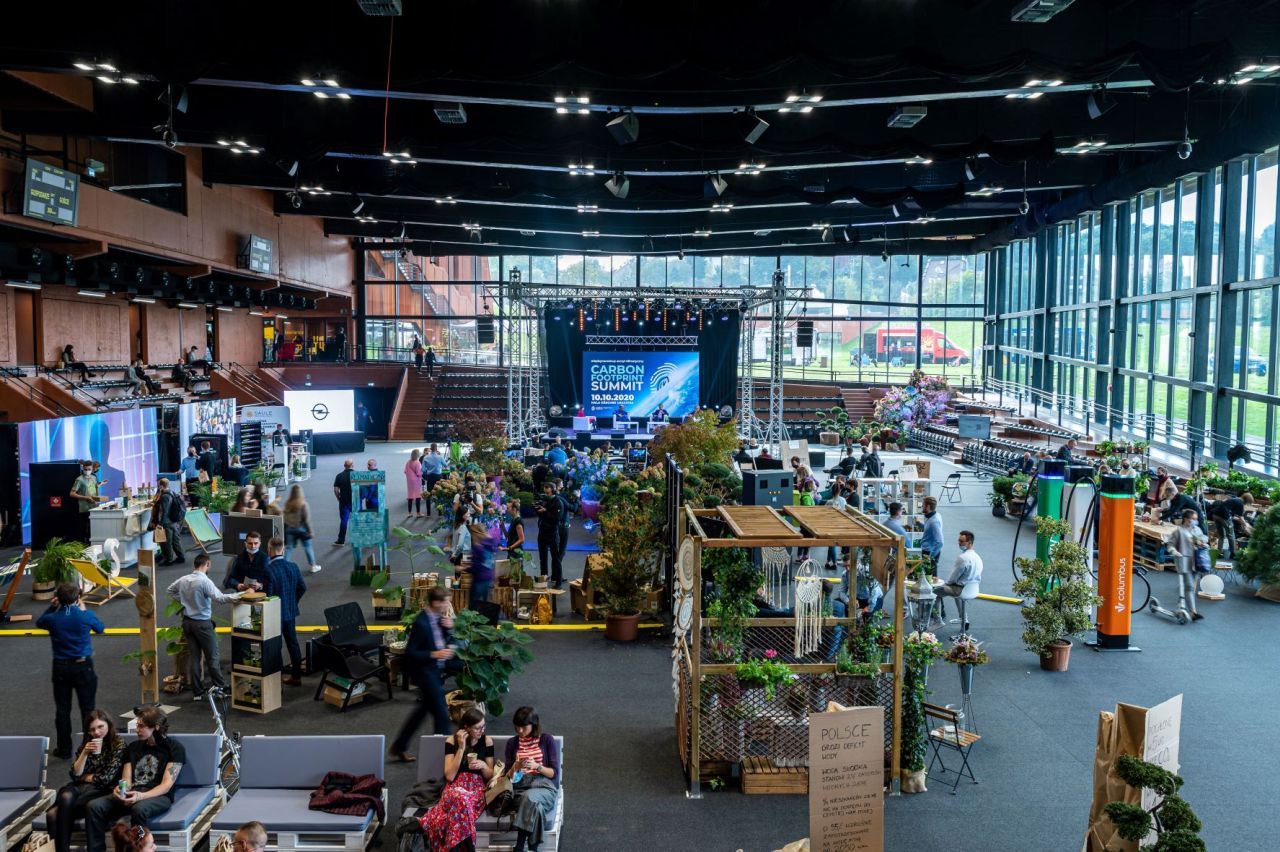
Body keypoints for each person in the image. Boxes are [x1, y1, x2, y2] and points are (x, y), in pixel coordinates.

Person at [85, 707, 185, 852]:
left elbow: (166, 786)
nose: (137, 730)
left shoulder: (174, 748)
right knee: (94, 806)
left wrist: (140, 796)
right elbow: (126, 779)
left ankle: (140, 848)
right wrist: (121, 790)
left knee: (139, 809)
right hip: (133, 792)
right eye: (137, 725)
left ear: (156, 727)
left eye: (141, 726)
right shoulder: (133, 747)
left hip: (158, 796)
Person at [390, 588, 463, 762]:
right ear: (436, 603)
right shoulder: (421, 623)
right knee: (441, 714)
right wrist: (434, 654)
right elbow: (411, 652)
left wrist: (448, 628)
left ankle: (399, 746)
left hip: (435, 670)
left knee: (421, 711)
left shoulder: (437, 618)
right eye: (445, 601)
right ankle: (446, 755)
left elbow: (438, 639)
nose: (448, 605)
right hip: (424, 672)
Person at [38, 583, 105, 758]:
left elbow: (39, 622)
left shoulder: (52, 618)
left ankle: (64, 749)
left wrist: (52, 607)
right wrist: (83, 610)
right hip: (83, 666)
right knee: (88, 709)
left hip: (61, 667)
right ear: (78, 598)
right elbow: (100, 628)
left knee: (62, 709)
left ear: (57, 599)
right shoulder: (85, 615)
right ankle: (89, 748)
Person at [48, 709, 126, 852]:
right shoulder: (87, 744)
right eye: (92, 729)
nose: (97, 732)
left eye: (100, 727)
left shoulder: (118, 744)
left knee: (53, 814)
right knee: (65, 796)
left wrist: (86, 777)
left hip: (102, 790)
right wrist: (84, 753)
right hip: (81, 788)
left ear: (108, 724)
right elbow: (75, 774)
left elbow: (106, 778)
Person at [419, 707, 494, 851]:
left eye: (483, 726)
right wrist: (461, 748)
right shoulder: (452, 741)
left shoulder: (487, 741)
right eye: (477, 728)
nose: (482, 730)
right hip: (455, 786)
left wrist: (483, 765)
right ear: (466, 728)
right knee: (459, 797)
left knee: (459, 805)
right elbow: (449, 776)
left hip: (476, 789)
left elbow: (490, 776)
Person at [168, 554, 241, 697]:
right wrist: (242, 594)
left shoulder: (183, 579)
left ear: (195, 565)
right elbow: (220, 598)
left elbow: (170, 590)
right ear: (207, 564)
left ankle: (197, 691)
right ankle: (220, 687)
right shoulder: (205, 581)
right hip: (202, 624)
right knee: (212, 657)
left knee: (195, 658)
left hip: (187, 623)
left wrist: (184, 601)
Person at [503, 707, 561, 852]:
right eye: (517, 726)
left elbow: (554, 773)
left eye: (523, 727)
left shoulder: (546, 739)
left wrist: (537, 766)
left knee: (529, 798)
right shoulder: (512, 743)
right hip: (521, 788)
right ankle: (533, 848)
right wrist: (516, 766)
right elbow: (507, 777)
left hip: (544, 786)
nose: (519, 730)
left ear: (533, 725)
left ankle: (519, 846)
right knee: (536, 808)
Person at [263, 537, 307, 686]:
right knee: (293, 644)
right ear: (282, 549)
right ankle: (296, 676)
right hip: (290, 612)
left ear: (269, 550)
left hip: (275, 615)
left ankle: (277, 682)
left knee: (276, 646)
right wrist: (292, 602)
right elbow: (302, 587)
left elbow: (269, 597)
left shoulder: (269, 570)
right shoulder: (293, 566)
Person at [936, 530, 983, 633]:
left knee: (936, 592)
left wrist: (940, 584)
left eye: (961, 541)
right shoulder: (978, 557)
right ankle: (964, 619)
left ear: (969, 542)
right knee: (956, 592)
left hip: (961, 589)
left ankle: (937, 619)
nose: (959, 543)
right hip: (973, 589)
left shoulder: (963, 558)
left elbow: (951, 579)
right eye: (959, 540)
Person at [1167, 509, 1205, 622]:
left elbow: (1203, 539)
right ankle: (1193, 612)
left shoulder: (1197, 529)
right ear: (1186, 519)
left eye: (1196, 519)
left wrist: (1203, 543)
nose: (1195, 521)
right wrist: (1174, 551)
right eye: (1193, 519)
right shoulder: (1178, 531)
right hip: (1184, 562)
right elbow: (1170, 544)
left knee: (1191, 587)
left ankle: (1182, 606)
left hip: (1196, 562)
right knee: (1189, 586)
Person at [282, 484, 321, 574]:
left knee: (289, 548)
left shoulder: (287, 503)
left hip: (289, 529)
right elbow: (307, 520)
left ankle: (283, 567)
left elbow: (284, 517)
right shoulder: (304, 504)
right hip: (302, 529)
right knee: (308, 547)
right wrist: (310, 531)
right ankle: (313, 566)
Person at [147, 478, 186, 566]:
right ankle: (181, 557)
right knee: (175, 540)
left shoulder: (164, 496)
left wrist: (160, 524)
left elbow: (165, 511)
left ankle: (169, 560)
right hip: (174, 521)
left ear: (161, 486)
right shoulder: (172, 493)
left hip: (167, 522)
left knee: (166, 542)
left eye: (159, 485)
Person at [71, 459, 107, 543]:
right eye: (85, 469)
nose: (87, 471)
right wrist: (85, 497)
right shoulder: (79, 480)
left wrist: (101, 484)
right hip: (85, 508)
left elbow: (94, 487)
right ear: (83, 468)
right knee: (85, 530)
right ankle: (85, 546)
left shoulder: (94, 477)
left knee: (94, 530)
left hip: (94, 507)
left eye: (89, 469)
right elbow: (72, 493)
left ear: (92, 469)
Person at [535, 482, 563, 586]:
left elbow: (557, 519)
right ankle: (543, 581)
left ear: (553, 491)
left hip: (552, 533)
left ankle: (558, 582)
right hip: (542, 532)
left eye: (548, 493)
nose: (546, 495)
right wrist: (537, 510)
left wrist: (545, 511)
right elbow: (540, 514)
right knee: (543, 559)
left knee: (556, 559)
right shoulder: (544, 500)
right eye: (545, 492)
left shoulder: (558, 502)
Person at [1209, 492, 1251, 560]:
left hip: (1215, 515)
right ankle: (1233, 554)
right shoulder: (1240, 503)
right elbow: (1241, 518)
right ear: (1247, 501)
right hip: (1224, 516)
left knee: (1221, 536)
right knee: (1231, 535)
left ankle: (1219, 553)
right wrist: (1246, 526)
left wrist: (1240, 521)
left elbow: (1233, 516)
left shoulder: (1234, 499)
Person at [469, 523, 496, 610]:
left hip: (479, 580)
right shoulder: (489, 544)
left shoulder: (478, 547)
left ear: (475, 534)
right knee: (485, 606)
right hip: (489, 579)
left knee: (473, 608)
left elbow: (475, 567)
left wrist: (463, 568)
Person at [333, 458, 354, 545]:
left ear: (344, 466)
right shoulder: (357, 475)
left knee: (344, 520)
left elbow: (336, 490)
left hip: (344, 501)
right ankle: (357, 539)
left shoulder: (339, 476)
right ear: (353, 465)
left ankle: (341, 540)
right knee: (357, 519)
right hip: (355, 501)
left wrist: (338, 498)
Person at [421, 444, 445, 516]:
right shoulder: (440, 457)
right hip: (438, 477)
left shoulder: (425, 457)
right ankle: (440, 513)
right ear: (436, 449)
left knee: (429, 494)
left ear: (430, 449)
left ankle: (428, 513)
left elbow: (423, 469)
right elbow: (446, 465)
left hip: (430, 477)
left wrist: (428, 469)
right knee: (439, 494)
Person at [555, 481, 577, 563]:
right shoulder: (560, 498)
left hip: (555, 525)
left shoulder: (554, 497)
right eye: (561, 484)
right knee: (561, 549)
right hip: (563, 525)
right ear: (558, 487)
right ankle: (557, 567)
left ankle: (556, 565)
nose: (563, 485)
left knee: (556, 548)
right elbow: (573, 508)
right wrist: (577, 499)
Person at [404, 449, 424, 518]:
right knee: (418, 496)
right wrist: (423, 473)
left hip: (409, 481)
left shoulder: (408, 462)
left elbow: (405, 471)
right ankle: (418, 513)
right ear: (417, 455)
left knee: (410, 496)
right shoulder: (417, 463)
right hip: (416, 481)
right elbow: (418, 473)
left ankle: (409, 513)